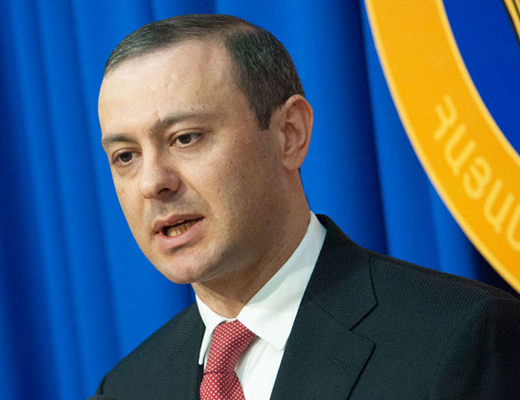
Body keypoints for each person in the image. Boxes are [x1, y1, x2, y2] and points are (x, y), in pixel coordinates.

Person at [91, 14, 520, 400]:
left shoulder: (460, 339)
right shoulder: (126, 389)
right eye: (125, 156)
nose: (153, 183)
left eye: (185, 138)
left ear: (289, 134)